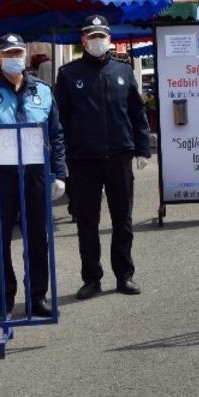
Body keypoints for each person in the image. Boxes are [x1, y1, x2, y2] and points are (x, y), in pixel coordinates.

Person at [0, 34, 66, 320]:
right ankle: (3, 301)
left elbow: (56, 134)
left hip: (35, 173)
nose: (13, 57)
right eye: (7, 53)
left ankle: (37, 297)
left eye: (18, 52)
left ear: (25, 54)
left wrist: (59, 173)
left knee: (37, 237)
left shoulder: (43, 91)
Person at [56, 15, 151, 299]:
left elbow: (137, 112)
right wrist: (62, 160)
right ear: (83, 40)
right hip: (84, 159)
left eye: (101, 35)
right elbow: (60, 120)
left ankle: (124, 275)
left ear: (109, 38)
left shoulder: (123, 71)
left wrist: (142, 147)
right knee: (87, 221)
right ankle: (92, 278)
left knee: (123, 219)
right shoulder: (68, 74)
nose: (96, 41)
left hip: (120, 156)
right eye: (91, 36)